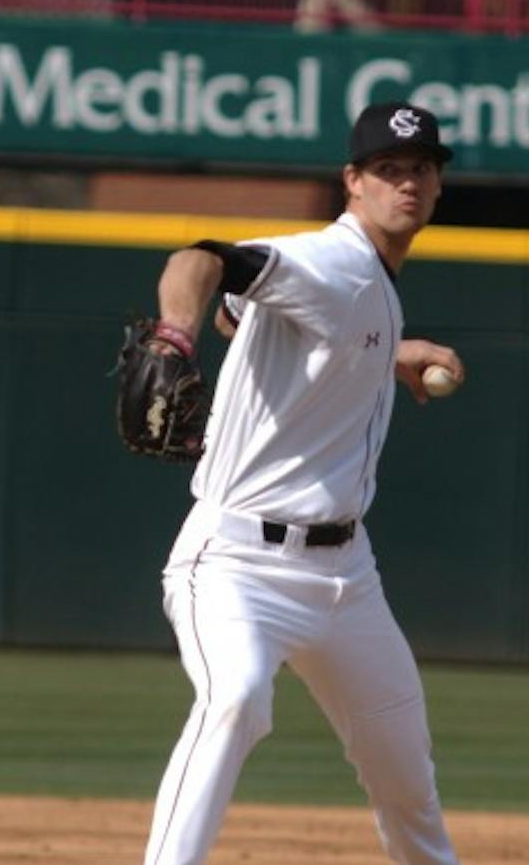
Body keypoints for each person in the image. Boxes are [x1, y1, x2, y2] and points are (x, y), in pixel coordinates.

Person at [141, 101, 465, 864]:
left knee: (404, 773)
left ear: (439, 185)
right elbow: (201, 258)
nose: (407, 184)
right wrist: (172, 334)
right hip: (238, 564)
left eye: (421, 169)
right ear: (353, 182)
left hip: (345, 577)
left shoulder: (367, 287)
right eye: (387, 170)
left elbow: (253, 315)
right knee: (237, 699)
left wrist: (387, 350)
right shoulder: (337, 261)